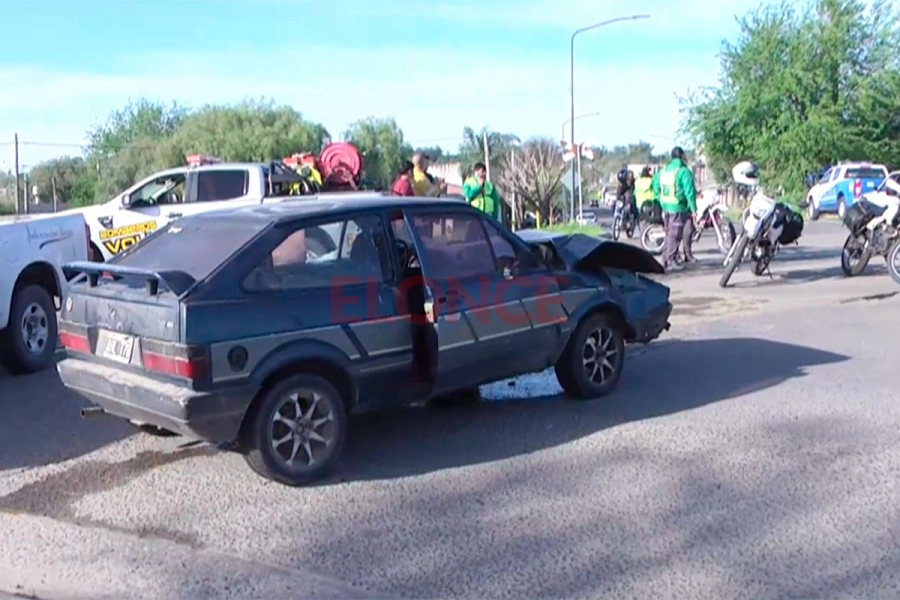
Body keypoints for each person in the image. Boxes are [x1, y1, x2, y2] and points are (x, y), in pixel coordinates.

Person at [651, 147, 698, 270]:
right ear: (682, 156)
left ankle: (665, 258)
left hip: (666, 206)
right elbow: (689, 192)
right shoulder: (683, 171)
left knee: (669, 233)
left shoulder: (664, 170)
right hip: (678, 206)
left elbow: (655, 185)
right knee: (675, 234)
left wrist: (660, 199)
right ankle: (670, 260)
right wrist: (693, 209)